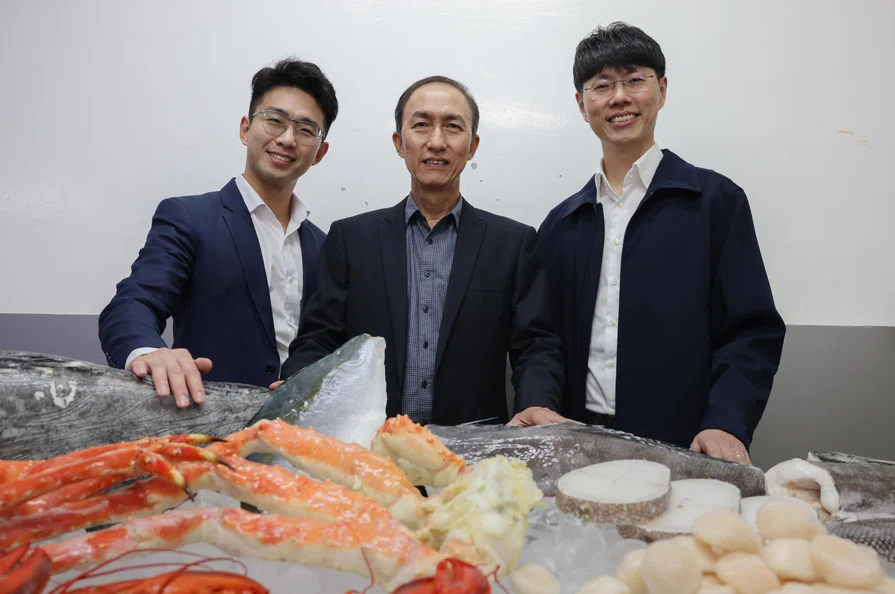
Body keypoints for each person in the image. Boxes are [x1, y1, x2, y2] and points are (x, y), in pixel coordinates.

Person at [538, 23, 785, 465]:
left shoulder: (715, 203)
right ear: (582, 104)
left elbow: (752, 332)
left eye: (635, 79)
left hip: (687, 444)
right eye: (601, 86)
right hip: (578, 442)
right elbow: (544, 339)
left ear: (662, 89)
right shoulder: (562, 223)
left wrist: (727, 421)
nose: (619, 97)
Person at [280, 75, 565, 428]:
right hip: (368, 448)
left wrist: (536, 402)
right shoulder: (350, 238)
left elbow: (535, 345)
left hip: (474, 455)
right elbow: (320, 339)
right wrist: (296, 385)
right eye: (421, 125)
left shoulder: (514, 242)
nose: (436, 142)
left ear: (472, 145)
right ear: (400, 143)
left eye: (452, 127)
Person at [99, 58, 338, 406]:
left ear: (320, 153)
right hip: (207, 426)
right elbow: (132, 303)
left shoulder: (324, 245)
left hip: (298, 436)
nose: (287, 139)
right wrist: (149, 352)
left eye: (305, 129)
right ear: (245, 128)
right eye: (275, 121)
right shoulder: (189, 217)